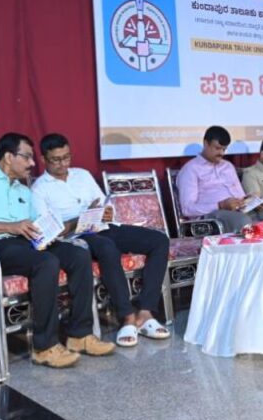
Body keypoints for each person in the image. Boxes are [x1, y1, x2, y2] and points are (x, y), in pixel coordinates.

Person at [0, 132, 115, 368]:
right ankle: (45, 346)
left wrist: (51, 232)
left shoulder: (24, 191)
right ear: (9, 157)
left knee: (78, 254)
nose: (33, 163)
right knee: (46, 262)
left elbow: (37, 224)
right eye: (27, 157)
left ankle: (80, 335)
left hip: (25, 242)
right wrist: (11, 226)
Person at [31, 133, 171, 347]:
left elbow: (104, 203)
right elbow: (48, 230)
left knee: (159, 240)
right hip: (76, 237)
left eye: (67, 157)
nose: (63, 164)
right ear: (43, 159)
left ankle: (145, 312)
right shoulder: (39, 189)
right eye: (56, 160)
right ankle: (127, 316)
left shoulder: (82, 175)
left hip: (102, 227)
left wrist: (107, 212)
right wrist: (78, 220)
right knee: (107, 248)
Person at [176, 125, 254, 233]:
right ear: (206, 144)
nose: (221, 153)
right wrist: (220, 205)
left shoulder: (227, 166)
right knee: (243, 221)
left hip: (237, 211)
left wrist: (247, 201)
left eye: (224, 149)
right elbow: (187, 209)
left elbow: (241, 195)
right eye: (217, 148)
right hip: (211, 218)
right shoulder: (190, 169)